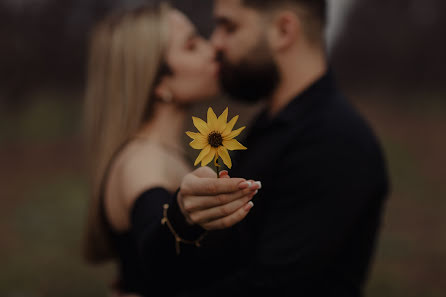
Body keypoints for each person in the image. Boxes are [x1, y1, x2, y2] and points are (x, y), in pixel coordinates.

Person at [166, 0, 390, 296]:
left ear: (284, 30)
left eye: (229, 26)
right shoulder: (272, 125)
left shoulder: (334, 140)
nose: (215, 42)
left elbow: (272, 287)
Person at [82, 3, 261, 296]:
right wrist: (182, 219)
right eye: (192, 46)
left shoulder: (161, 155)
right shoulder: (144, 163)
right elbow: (158, 247)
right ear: (158, 81)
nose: (212, 49)